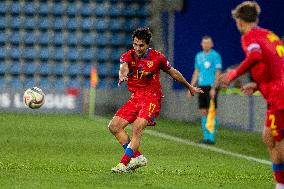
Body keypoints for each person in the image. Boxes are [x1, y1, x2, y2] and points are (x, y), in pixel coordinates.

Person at [108, 27, 203, 173]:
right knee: (114, 126)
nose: (137, 48)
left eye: (141, 45)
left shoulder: (158, 58)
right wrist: (122, 75)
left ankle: (123, 164)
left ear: (148, 45)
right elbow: (123, 68)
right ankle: (138, 157)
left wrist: (189, 86)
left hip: (151, 98)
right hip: (135, 98)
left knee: (137, 127)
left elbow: (173, 73)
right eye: (135, 44)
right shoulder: (127, 56)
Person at [218, 2, 284, 189]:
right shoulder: (269, 35)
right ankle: (280, 184)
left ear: (239, 21)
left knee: (278, 140)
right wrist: (257, 84)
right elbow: (276, 66)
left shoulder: (250, 36)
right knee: (269, 137)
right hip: (276, 92)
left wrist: (233, 74)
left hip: (279, 96)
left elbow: (254, 56)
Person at [190, 36, 222, 144]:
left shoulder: (215, 56)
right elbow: (197, 71)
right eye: (204, 43)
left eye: (208, 43)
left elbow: (218, 73)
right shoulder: (198, 56)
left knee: (211, 112)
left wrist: (214, 87)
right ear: (201, 44)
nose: (206, 45)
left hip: (211, 86)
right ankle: (205, 137)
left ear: (211, 44)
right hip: (201, 86)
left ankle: (211, 138)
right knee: (203, 111)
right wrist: (191, 86)